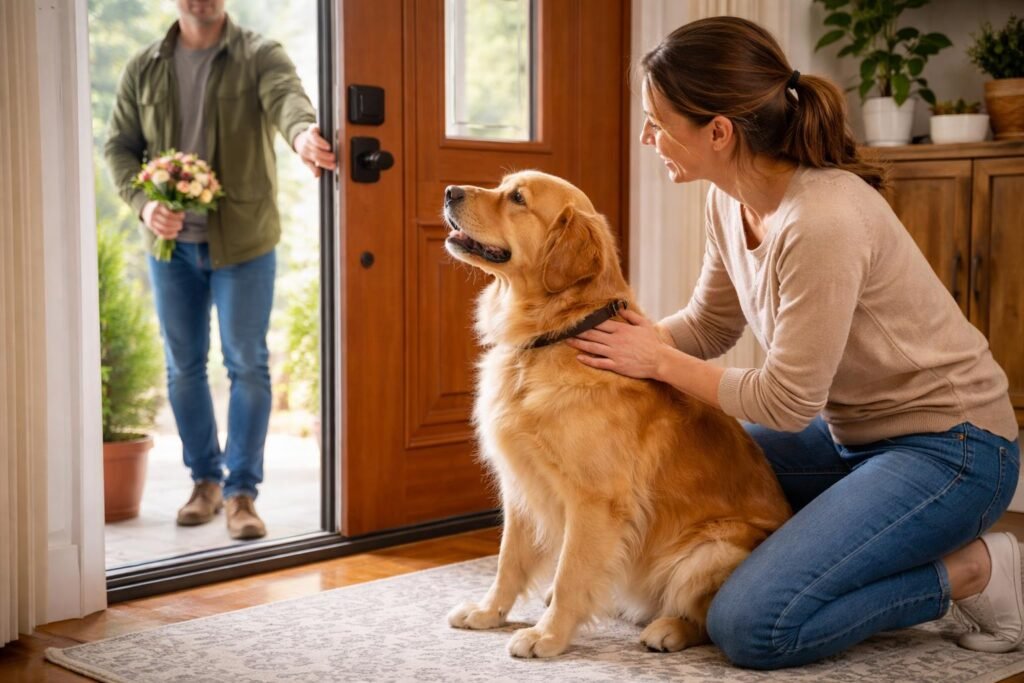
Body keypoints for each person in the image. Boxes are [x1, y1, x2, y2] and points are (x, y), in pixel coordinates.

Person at [565, 16, 1022, 670]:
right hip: (847, 438)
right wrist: (611, 349)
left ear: (718, 132)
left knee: (752, 624)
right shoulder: (728, 201)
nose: (646, 137)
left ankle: (975, 571)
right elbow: (710, 324)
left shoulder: (823, 219)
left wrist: (658, 360)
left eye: (656, 122)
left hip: (954, 450)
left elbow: (785, 401)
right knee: (683, 464)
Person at [104, 0, 336, 540]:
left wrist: (304, 134)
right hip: (171, 249)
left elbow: (287, 100)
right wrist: (144, 204)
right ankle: (205, 483)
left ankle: (241, 493)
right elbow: (118, 146)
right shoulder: (144, 66)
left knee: (247, 364)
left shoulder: (260, 54)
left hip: (244, 242)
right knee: (183, 368)